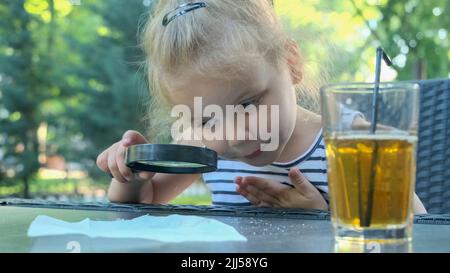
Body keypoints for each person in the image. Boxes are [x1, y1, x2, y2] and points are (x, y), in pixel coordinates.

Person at [96, 0, 427, 213]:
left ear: (291, 63)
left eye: (248, 103)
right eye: (208, 120)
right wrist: (131, 174)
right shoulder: (203, 148)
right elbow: (144, 203)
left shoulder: (353, 143)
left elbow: (418, 230)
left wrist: (320, 218)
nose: (235, 136)